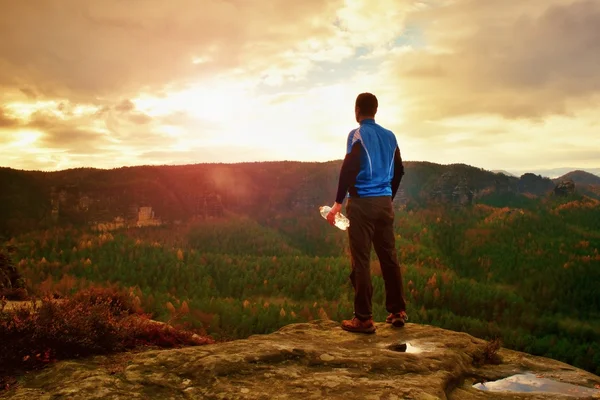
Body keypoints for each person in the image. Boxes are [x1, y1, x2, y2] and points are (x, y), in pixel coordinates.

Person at [326, 92, 408, 334]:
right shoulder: (390, 136)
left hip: (361, 204)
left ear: (357, 110)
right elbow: (399, 170)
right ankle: (397, 311)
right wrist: (387, 197)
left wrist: (338, 203)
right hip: (384, 204)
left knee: (361, 260)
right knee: (389, 258)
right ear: (376, 110)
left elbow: (350, 167)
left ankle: (363, 318)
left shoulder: (357, 134)